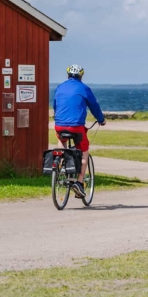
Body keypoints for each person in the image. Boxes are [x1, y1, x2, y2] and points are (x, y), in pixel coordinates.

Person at [53, 64, 106, 198]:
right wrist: (101, 119)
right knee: (84, 151)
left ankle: (62, 163)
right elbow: (94, 106)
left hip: (59, 124)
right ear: (81, 76)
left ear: (67, 75)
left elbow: (55, 104)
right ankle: (79, 182)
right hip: (76, 126)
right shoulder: (84, 88)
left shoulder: (60, 87)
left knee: (61, 139)